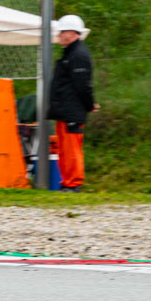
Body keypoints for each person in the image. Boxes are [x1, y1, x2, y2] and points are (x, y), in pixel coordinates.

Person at [47, 14, 99, 192]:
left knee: (71, 148)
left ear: (72, 33)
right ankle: (67, 182)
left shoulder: (78, 55)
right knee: (64, 148)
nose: (60, 35)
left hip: (72, 110)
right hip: (65, 109)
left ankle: (74, 183)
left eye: (62, 31)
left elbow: (83, 84)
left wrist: (89, 104)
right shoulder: (71, 53)